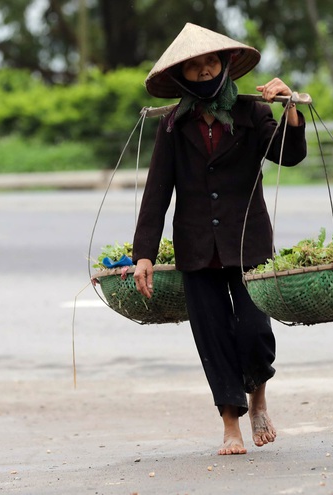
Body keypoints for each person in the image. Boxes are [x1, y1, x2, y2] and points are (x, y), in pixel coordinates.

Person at [132, 23, 307, 455]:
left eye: (211, 62)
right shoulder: (173, 125)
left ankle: (258, 396)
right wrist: (144, 255)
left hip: (247, 242)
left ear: (226, 65)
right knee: (212, 336)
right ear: (182, 77)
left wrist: (290, 109)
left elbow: (290, 154)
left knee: (253, 331)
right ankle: (231, 424)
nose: (205, 70)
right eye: (194, 67)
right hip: (196, 248)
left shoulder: (253, 114)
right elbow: (157, 193)